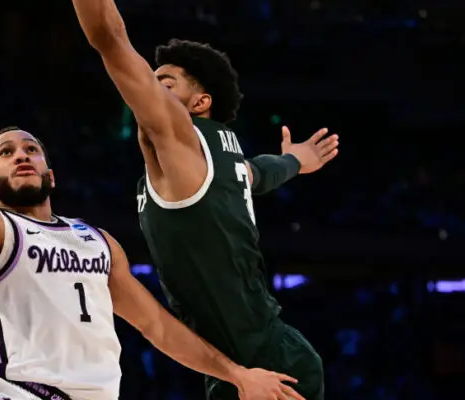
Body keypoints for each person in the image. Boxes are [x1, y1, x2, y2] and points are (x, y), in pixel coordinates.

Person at [0, 92, 304, 400]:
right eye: (6, 152)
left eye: (32, 149)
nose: (22, 155)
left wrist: (238, 375)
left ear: (52, 175)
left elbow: (156, 326)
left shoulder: (97, 242)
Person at [71, 2, 340, 399]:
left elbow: (109, 38)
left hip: (265, 361)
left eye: (165, 82)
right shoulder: (223, 160)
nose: (150, 88)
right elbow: (259, 173)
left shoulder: (181, 139)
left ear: (199, 104)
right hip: (242, 362)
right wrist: (297, 160)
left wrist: (294, 161)